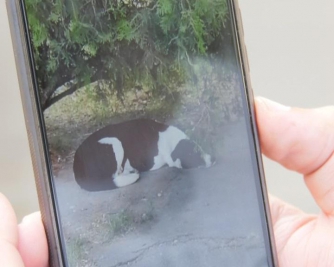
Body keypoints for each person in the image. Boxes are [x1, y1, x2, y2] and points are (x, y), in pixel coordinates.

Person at [1, 97, 333, 267]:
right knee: (118, 151)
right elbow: (153, 162)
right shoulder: (160, 146)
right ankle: (113, 176)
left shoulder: (172, 139)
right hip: (96, 162)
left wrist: (203, 160)